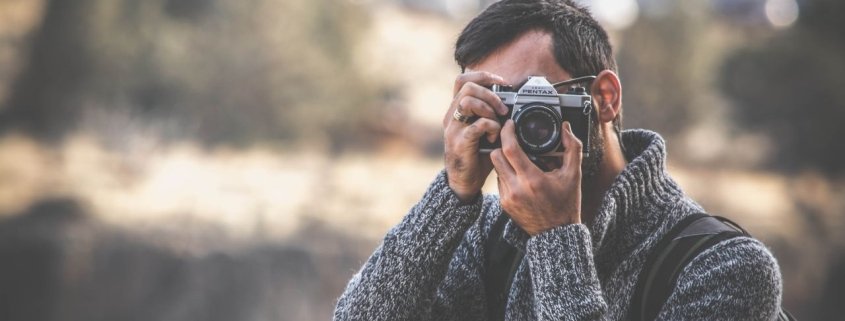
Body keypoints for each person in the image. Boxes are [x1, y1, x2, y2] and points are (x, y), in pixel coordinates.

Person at [333, 0, 783, 320]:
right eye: (500, 104)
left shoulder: (725, 269)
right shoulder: (487, 236)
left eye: (540, 99)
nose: (520, 126)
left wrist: (557, 241)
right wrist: (452, 195)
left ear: (604, 98)